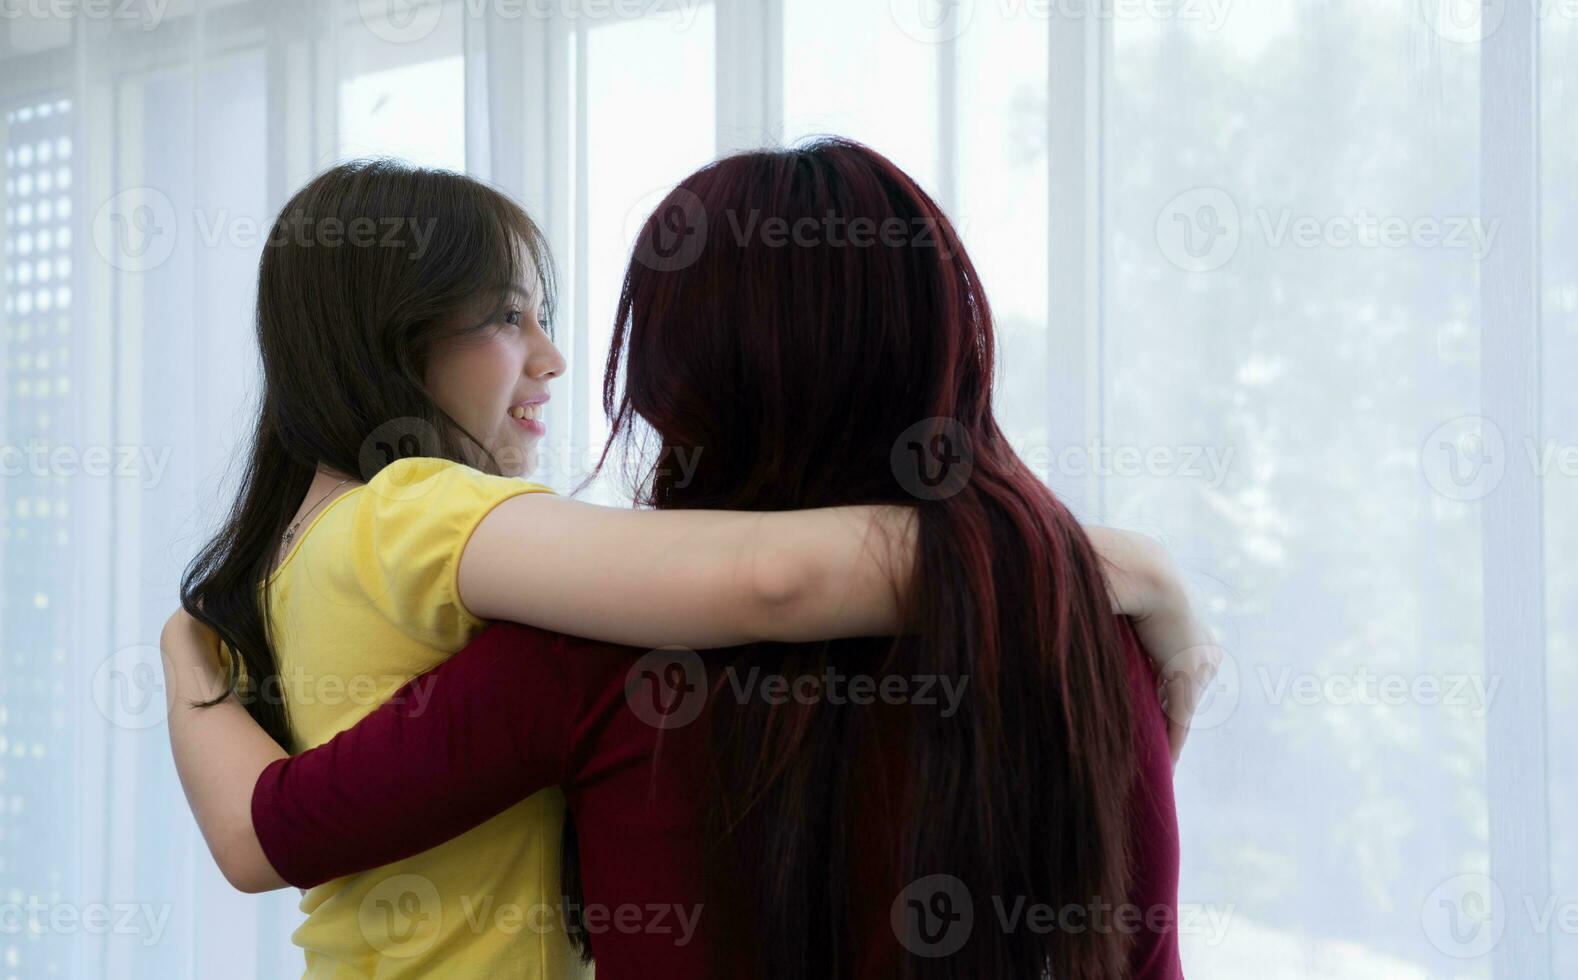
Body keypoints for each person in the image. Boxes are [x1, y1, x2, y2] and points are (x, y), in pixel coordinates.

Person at [166, 149, 1214, 979]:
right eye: (505, 315)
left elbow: (271, 828)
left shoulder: (587, 652)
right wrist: (1085, 565)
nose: (557, 359)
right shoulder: (1084, 643)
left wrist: (187, 666)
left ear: (680, 377)